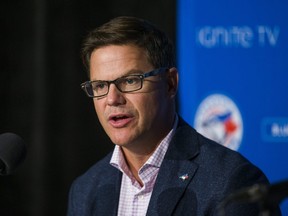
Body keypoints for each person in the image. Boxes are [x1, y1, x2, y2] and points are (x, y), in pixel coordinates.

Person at [67, 16, 281, 216]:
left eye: (130, 81)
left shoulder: (232, 182)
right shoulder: (85, 190)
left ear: (170, 84)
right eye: (100, 85)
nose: (112, 99)